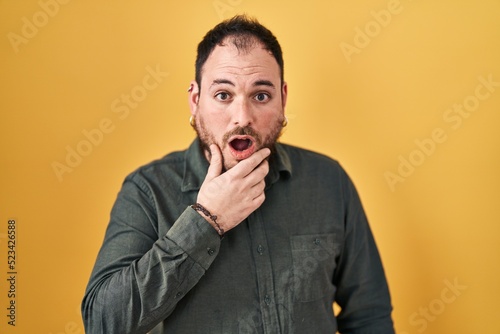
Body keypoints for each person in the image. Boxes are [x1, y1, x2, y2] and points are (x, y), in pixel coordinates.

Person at [82, 15, 395, 334]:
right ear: (195, 100)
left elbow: (369, 315)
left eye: (261, 96)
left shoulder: (329, 182)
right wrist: (205, 220)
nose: (242, 117)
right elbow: (103, 323)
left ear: (283, 100)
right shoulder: (147, 190)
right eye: (223, 95)